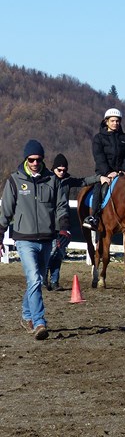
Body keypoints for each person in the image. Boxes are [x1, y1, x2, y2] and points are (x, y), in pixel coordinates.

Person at [0, 140, 70, 340]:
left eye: (38, 159)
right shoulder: (14, 181)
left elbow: (61, 205)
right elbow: (6, 211)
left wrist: (63, 228)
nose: (34, 163)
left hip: (47, 238)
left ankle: (26, 314)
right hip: (24, 239)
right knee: (34, 278)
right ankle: (39, 322)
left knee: (37, 280)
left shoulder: (52, 180)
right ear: (26, 159)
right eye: (31, 159)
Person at [45, 153, 106, 291]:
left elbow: (83, 181)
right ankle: (44, 278)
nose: (62, 172)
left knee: (59, 253)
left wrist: (99, 178)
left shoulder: (67, 181)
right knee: (51, 251)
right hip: (47, 222)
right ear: (53, 169)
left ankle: (54, 281)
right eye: (59, 170)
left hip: (62, 222)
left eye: (64, 170)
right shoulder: (46, 180)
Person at [83, 108, 125, 230]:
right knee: (100, 189)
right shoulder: (98, 138)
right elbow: (99, 156)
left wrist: (124, 170)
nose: (115, 123)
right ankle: (94, 217)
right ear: (106, 121)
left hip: (122, 173)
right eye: (112, 121)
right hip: (104, 173)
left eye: (117, 121)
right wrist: (107, 172)